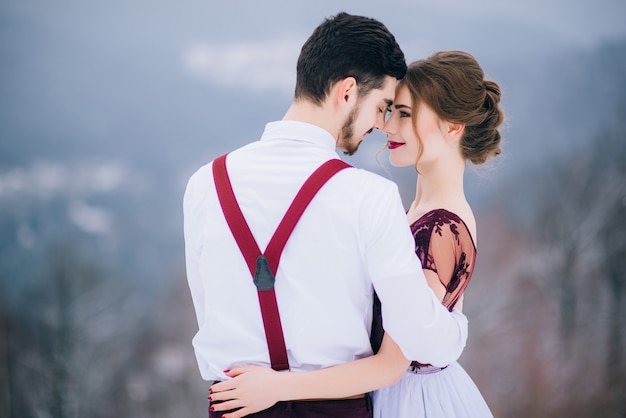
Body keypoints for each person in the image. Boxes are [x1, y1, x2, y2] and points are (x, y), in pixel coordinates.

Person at [183, 12, 469, 418]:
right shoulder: (369, 196)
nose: (380, 124)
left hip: (234, 406)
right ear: (348, 92)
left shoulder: (204, 185)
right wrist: (458, 329)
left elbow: (208, 311)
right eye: (382, 106)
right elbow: (420, 334)